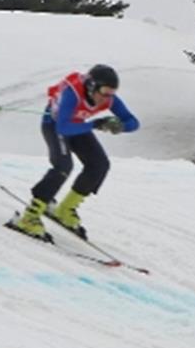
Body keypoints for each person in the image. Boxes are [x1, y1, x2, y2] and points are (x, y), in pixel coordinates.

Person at [10, 64, 140, 241]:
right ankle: (29, 217)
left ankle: (65, 209)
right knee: (63, 166)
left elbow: (134, 123)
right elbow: (63, 127)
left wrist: (120, 126)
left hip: (77, 126)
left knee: (99, 165)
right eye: (104, 92)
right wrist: (96, 124)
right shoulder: (72, 93)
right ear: (91, 86)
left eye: (111, 93)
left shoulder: (109, 99)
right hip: (54, 125)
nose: (107, 98)